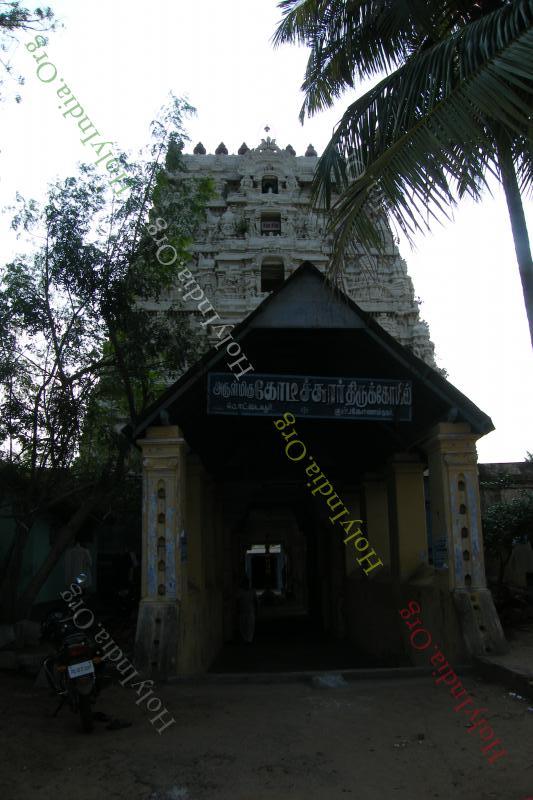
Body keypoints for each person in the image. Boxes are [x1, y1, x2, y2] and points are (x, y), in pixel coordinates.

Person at [237, 576, 257, 644]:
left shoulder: (252, 591)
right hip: (243, 610)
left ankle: (249, 639)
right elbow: (237, 601)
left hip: (249, 610)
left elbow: (255, 601)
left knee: (250, 626)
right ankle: (246, 639)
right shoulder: (240, 591)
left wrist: (256, 609)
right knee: (243, 625)